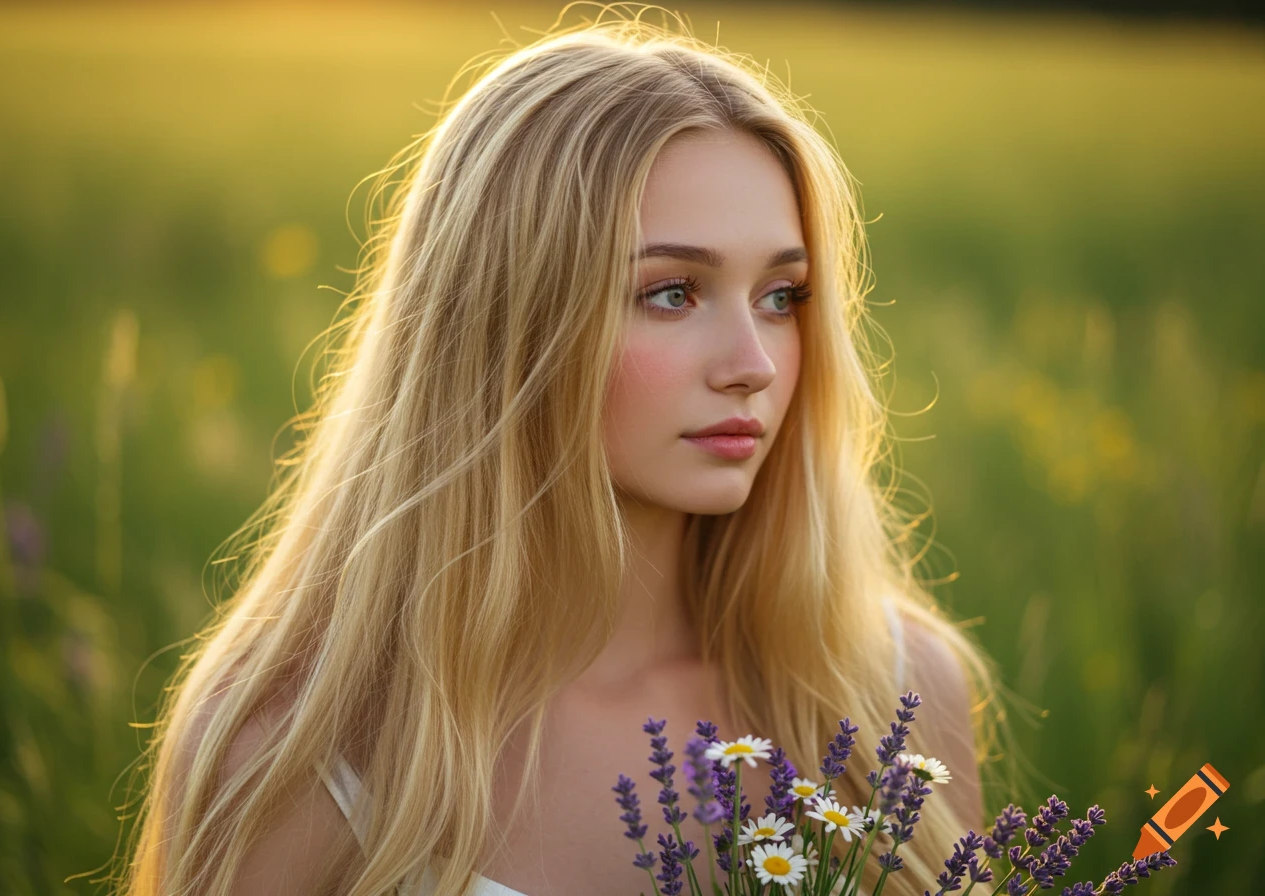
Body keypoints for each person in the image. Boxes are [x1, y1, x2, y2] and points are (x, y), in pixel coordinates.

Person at [112, 5, 1015, 895]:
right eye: (672, 293)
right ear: (505, 323)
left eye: (783, 297)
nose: (753, 366)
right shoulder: (301, 752)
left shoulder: (889, 695)